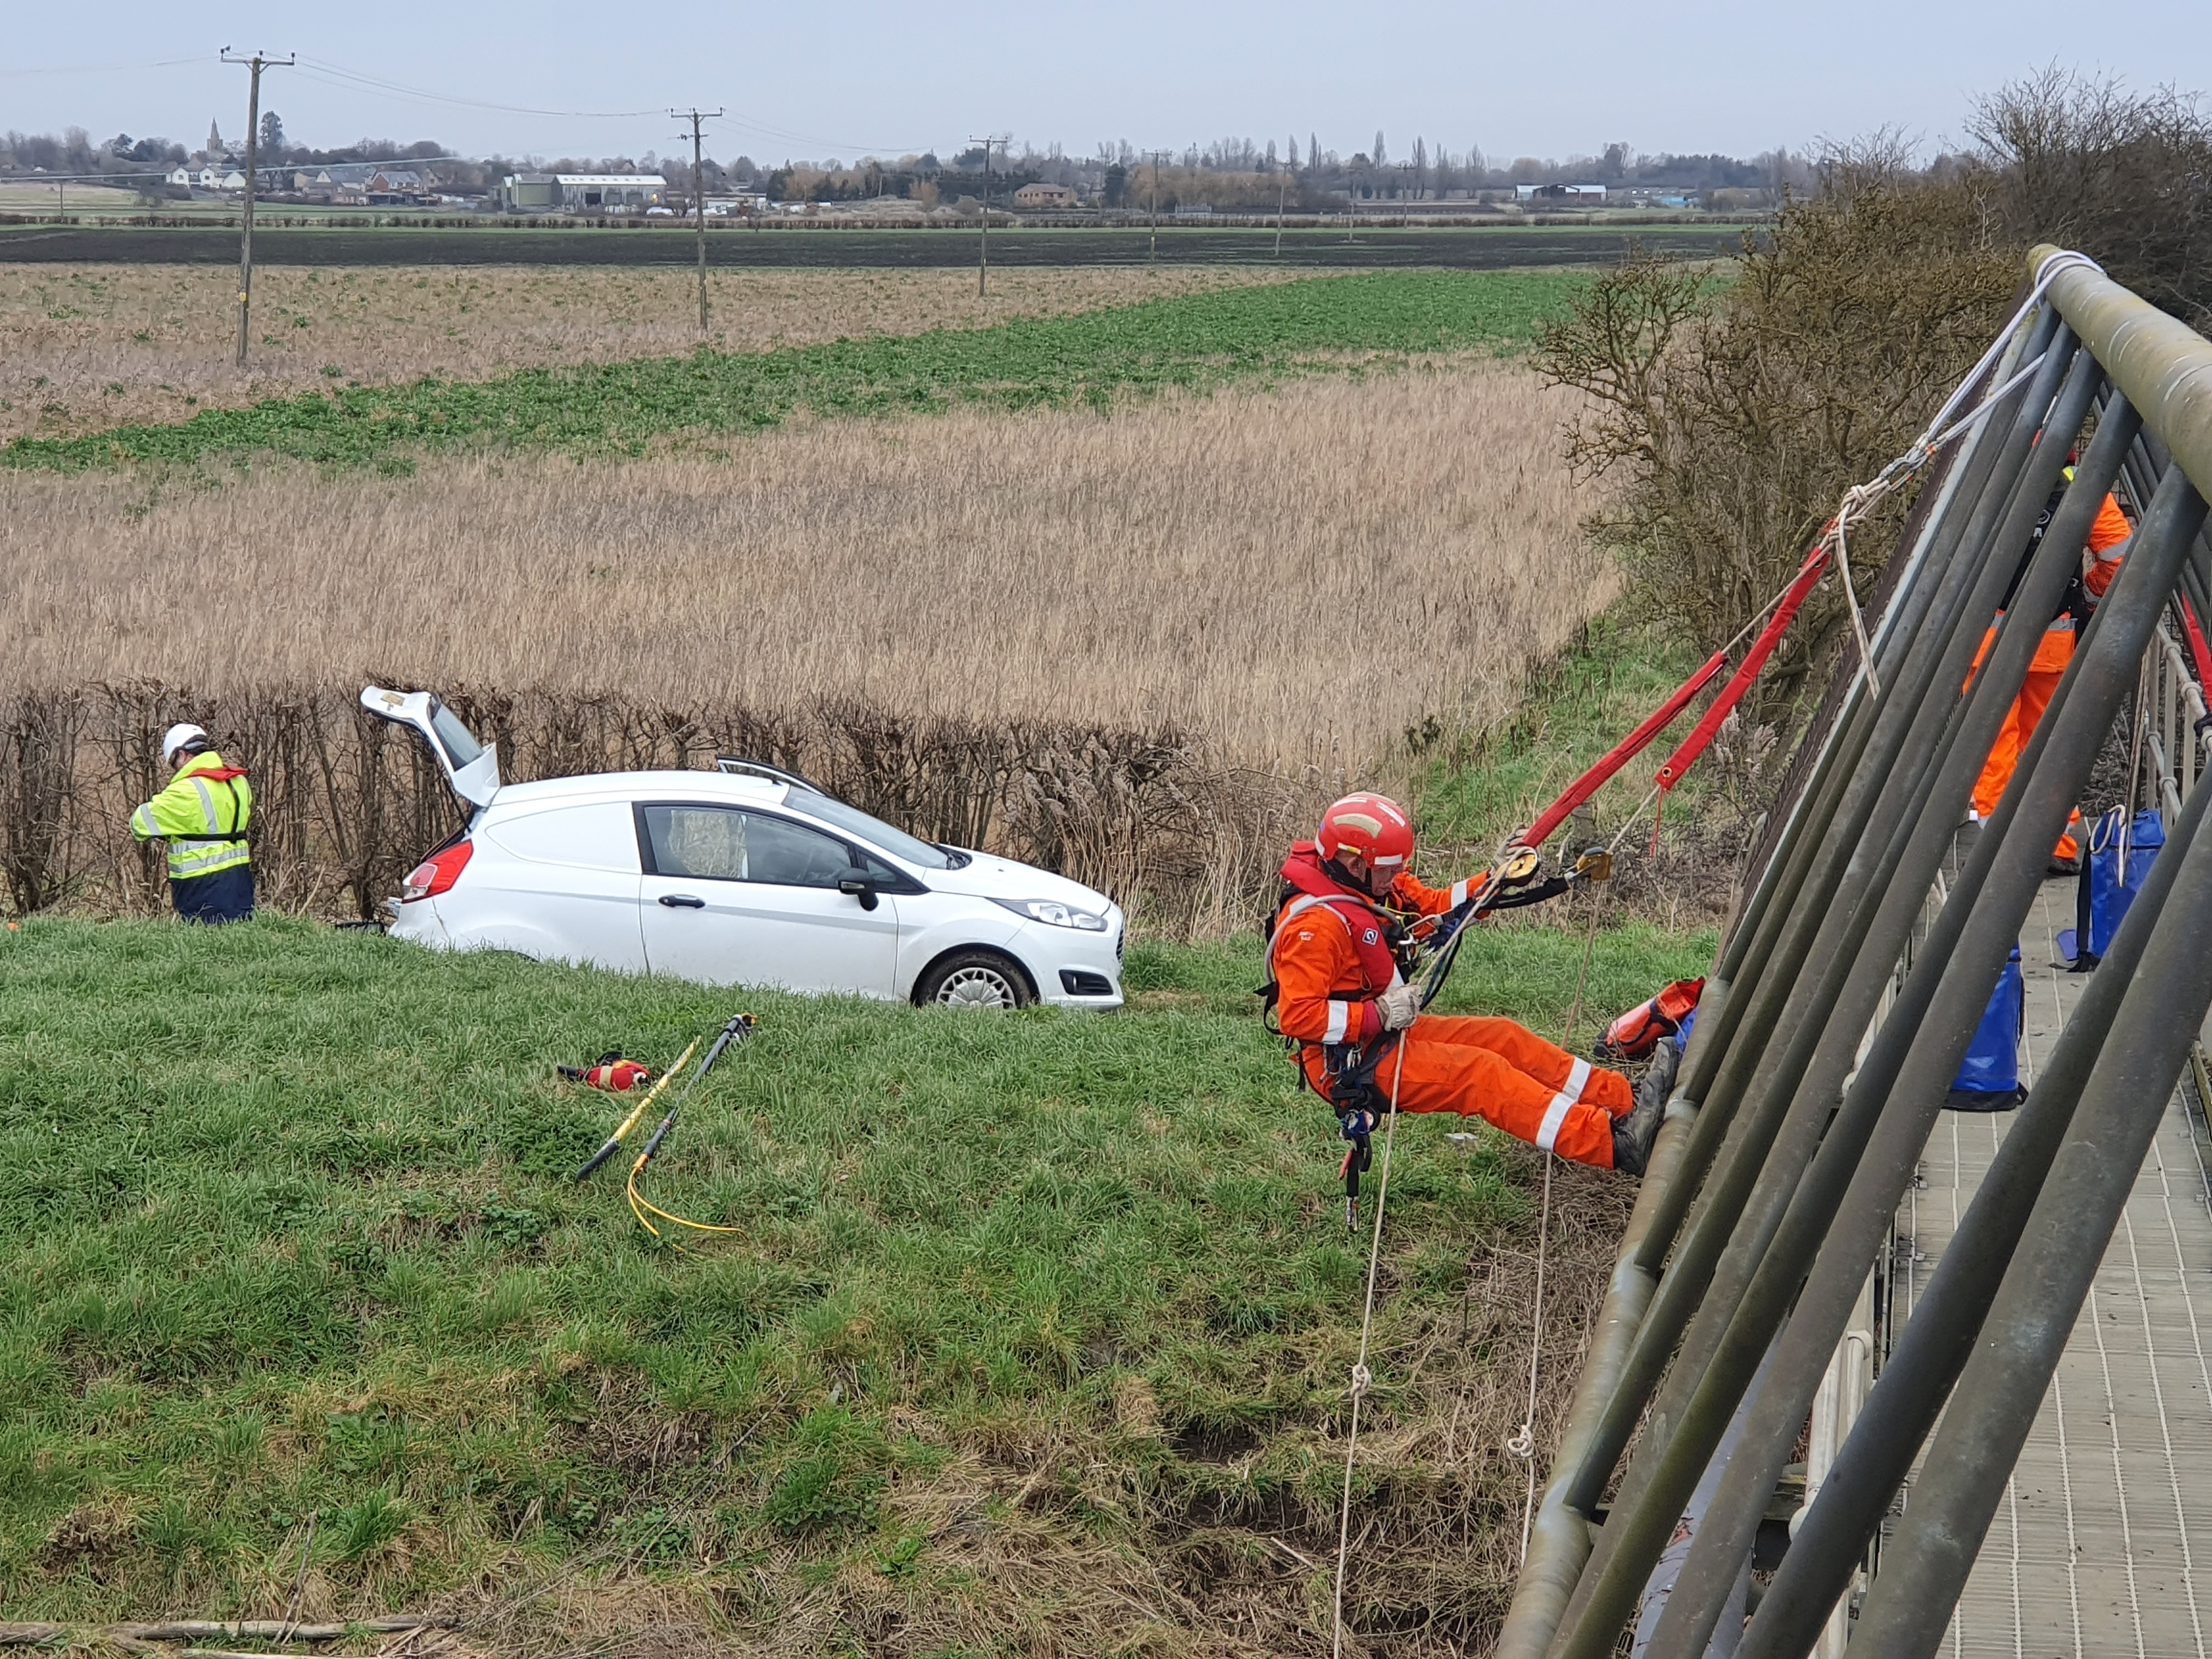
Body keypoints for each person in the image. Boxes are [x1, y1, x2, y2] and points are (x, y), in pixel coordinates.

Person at [1263, 792, 1663, 1175]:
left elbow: (1438, 907)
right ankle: (1613, 1143)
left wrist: (1495, 878)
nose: (1398, 874)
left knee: (1503, 1037)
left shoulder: (1372, 885)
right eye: (1389, 867)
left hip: (1382, 1035)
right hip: (1346, 1062)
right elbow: (1298, 1016)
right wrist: (1379, 1013)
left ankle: (1622, 1099)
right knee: (1479, 1075)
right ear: (1353, 863)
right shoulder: (1314, 926)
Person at [1970, 466, 2133, 871]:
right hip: (2053, 638)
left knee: (1993, 746)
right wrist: (2089, 598)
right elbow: (2119, 556)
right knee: (2046, 745)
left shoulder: (1989, 472)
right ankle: (2057, 843)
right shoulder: (2081, 482)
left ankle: (1999, 850)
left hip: (1987, 641)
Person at [129, 723, 255, 923]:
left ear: (184, 755)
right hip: (241, 882)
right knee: (240, 944)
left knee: (203, 948)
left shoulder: (186, 791)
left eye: (173, 762)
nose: (174, 769)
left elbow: (139, 823)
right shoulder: (239, 782)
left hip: (202, 885)